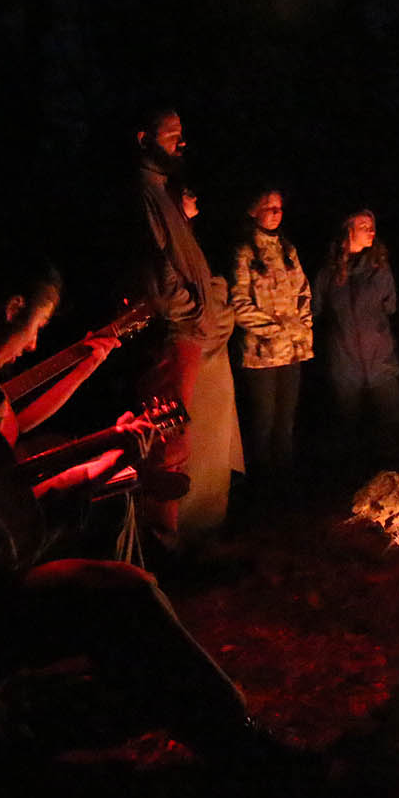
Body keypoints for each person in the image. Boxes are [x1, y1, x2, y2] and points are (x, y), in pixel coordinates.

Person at [0, 263, 310, 798]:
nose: (36, 342)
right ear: (11, 307)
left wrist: (89, 467)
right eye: (37, 325)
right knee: (120, 593)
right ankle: (243, 750)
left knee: (112, 527)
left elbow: (5, 477)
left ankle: (170, 692)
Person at [128, 109, 220, 549]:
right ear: (144, 137)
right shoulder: (142, 194)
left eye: (183, 135)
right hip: (174, 330)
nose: (181, 143)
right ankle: (160, 544)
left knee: (173, 434)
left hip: (185, 328)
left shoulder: (161, 192)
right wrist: (191, 309)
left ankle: (164, 539)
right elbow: (157, 269)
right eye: (172, 135)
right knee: (168, 436)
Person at [230, 188, 313, 497]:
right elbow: (239, 305)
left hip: (292, 352)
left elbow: (304, 291)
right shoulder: (245, 253)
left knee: (286, 422)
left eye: (279, 207)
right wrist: (275, 329)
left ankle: (286, 487)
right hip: (260, 356)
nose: (276, 213)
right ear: (254, 210)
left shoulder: (288, 249)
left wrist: (303, 326)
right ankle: (262, 490)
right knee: (262, 424)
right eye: (269, 207)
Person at [175, 187, 245, 536]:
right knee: (192, 445)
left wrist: (218, 301)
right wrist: (215, 308)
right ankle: (185, 526)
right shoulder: (168, 246)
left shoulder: (192, 242)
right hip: (191, 361)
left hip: (213, 363)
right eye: (188, 193)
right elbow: (182, 302)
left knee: (214, 445)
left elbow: (214, 292)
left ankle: (209, 522)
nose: (196, 197)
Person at [313, 210, 399, 457]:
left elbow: (391, 305)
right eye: (364, 225)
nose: (371, 230)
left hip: (381, 363)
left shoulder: (379, 269)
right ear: (348, 230)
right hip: (345, 366)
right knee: (348, 432)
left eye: (373, 225)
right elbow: (317, 311)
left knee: (392, 429)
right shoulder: (328, 273)